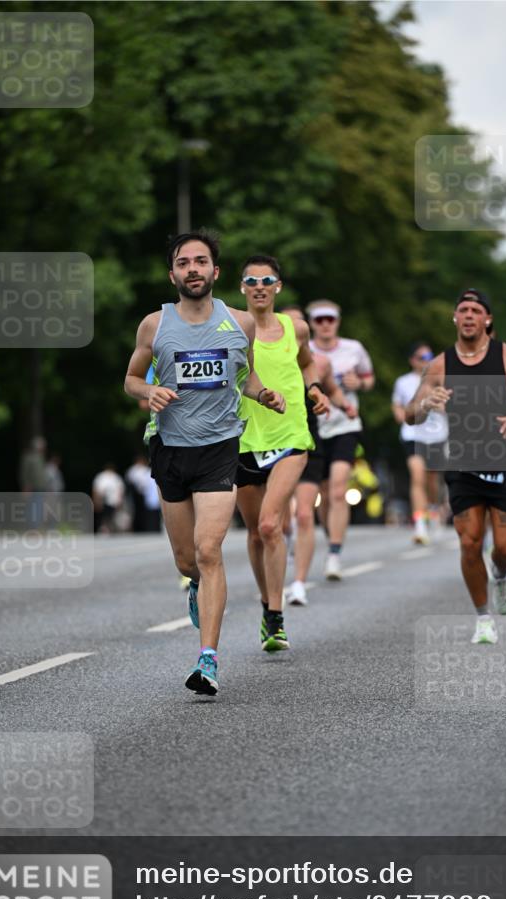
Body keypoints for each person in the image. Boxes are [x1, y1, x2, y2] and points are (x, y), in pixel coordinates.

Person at [124, 231, 285, 695]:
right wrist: (148, 390)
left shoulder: (240, 323)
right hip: (170, 448)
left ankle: (208, 659)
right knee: (187, 559)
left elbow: (246, 375)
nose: (192, 269)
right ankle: (196, 584)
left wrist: (263, 393)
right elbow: (132, 379)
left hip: (219, 447)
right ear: (172, 273)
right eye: (183, 263)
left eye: (201, 261)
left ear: (215, 272)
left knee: (210, 551)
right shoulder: (155, 325)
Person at [405, 288, 506, 645]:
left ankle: (500, 574)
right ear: (455, 318)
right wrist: (425, 404)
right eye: (462, 310)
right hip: (462, 463)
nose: (468, 315)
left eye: (475, 310)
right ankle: (483, 617)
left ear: (487, 319)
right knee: (469, 543)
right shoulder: (439, 365)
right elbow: (410, 413)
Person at [236, 256, 330, 650]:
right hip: (242, 439)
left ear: (278, 287)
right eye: (252, 280)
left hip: (291, 435)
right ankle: (265, 601)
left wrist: (314, 390)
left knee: (272, 525)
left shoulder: (297, 328)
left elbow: (308, 364)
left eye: (267, 280)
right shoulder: (232, 328)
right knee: (256, 533)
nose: (259, 286)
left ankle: (275, 618)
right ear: (242, 287)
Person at [280, 308, 357, 606]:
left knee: (304, 513)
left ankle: (299, 583)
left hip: (307, 442)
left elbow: (334, 391)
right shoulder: (261, 355)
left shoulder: (319, 363)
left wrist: (344, 406)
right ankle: (283, 551)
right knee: (277, 521)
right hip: (271, 444)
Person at [307, 299, 375, 579]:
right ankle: (330, 536)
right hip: (313, 427)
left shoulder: (354, 349)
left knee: (338, 490)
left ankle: (334, 554)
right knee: (322, 495)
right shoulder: (304, 350)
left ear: (337, 321)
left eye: (330, 319)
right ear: (311, 323)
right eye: (320, 319)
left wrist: (358, 384)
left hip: (345, 424)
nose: (325, 324)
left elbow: (369, 379)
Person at [392, 342, 448, 544]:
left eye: (429, 357)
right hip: (412, 434)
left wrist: (441, 406)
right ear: (412, 360)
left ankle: (433, 509)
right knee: (417, 476)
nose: (425, 361)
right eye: (421, 358)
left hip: (436, 435)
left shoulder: (440, 380)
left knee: (433, 481)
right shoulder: (403, 382)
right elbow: (397, 405)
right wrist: (403, 416)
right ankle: (420, 524)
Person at [92, 463, 125, 534]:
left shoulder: (116, 477)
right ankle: (103, 528)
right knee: (102, 515)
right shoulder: (101, 477)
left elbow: (120, 490)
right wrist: (96, 500)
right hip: (102, 500)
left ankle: (110, 528)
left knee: (112, 515)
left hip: (113, 500)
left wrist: (120, 500)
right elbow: (96, 489)